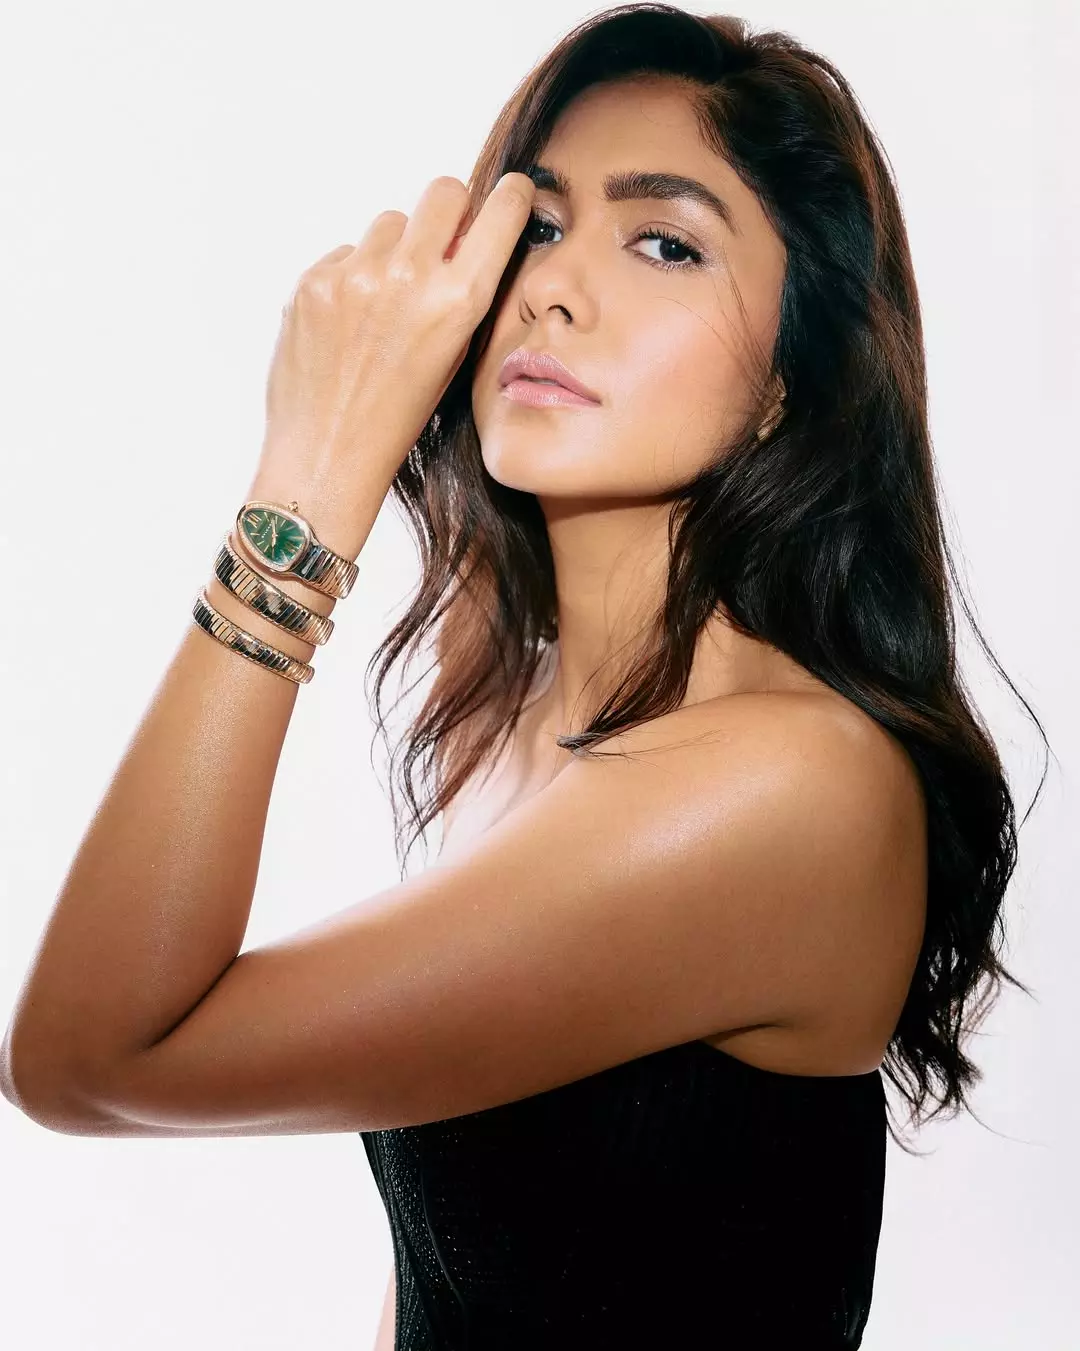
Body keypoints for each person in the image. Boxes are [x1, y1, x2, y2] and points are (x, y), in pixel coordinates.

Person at [0, 5, 1044, 1348]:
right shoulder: (507, 721)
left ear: (790, 378)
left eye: (665, 243)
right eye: (537, 226)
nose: (555, 287)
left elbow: (89, 1060)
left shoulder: (791, 783)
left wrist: (311, 475)